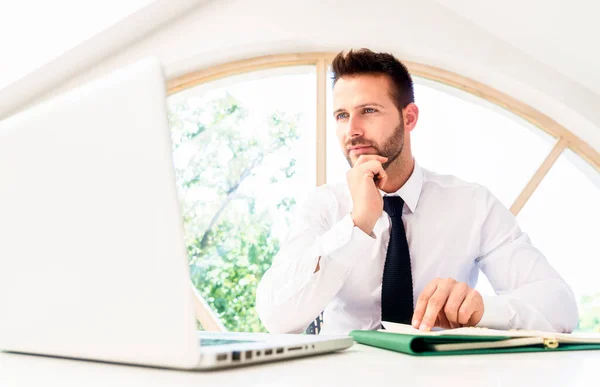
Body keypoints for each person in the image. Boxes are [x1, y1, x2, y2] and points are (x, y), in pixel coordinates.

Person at [255, 48, 578, 335]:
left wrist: (482, 309)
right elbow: (277, 317)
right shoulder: (324, 207)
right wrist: (356, 224)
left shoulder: (472, 204)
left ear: (409, 117)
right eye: (342, 115)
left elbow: (561, 306)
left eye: (368, 111)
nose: (352, 130)